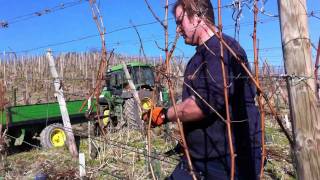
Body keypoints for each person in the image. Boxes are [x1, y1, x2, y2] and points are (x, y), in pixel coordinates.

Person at [143, 0, 262, 179]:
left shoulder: (222, 50)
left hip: (228, 161)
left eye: (179, 21)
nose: (177, 30)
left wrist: (164, 114)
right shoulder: (198, 57)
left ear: (198, 17)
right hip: (199, 159)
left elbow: (204, 104)